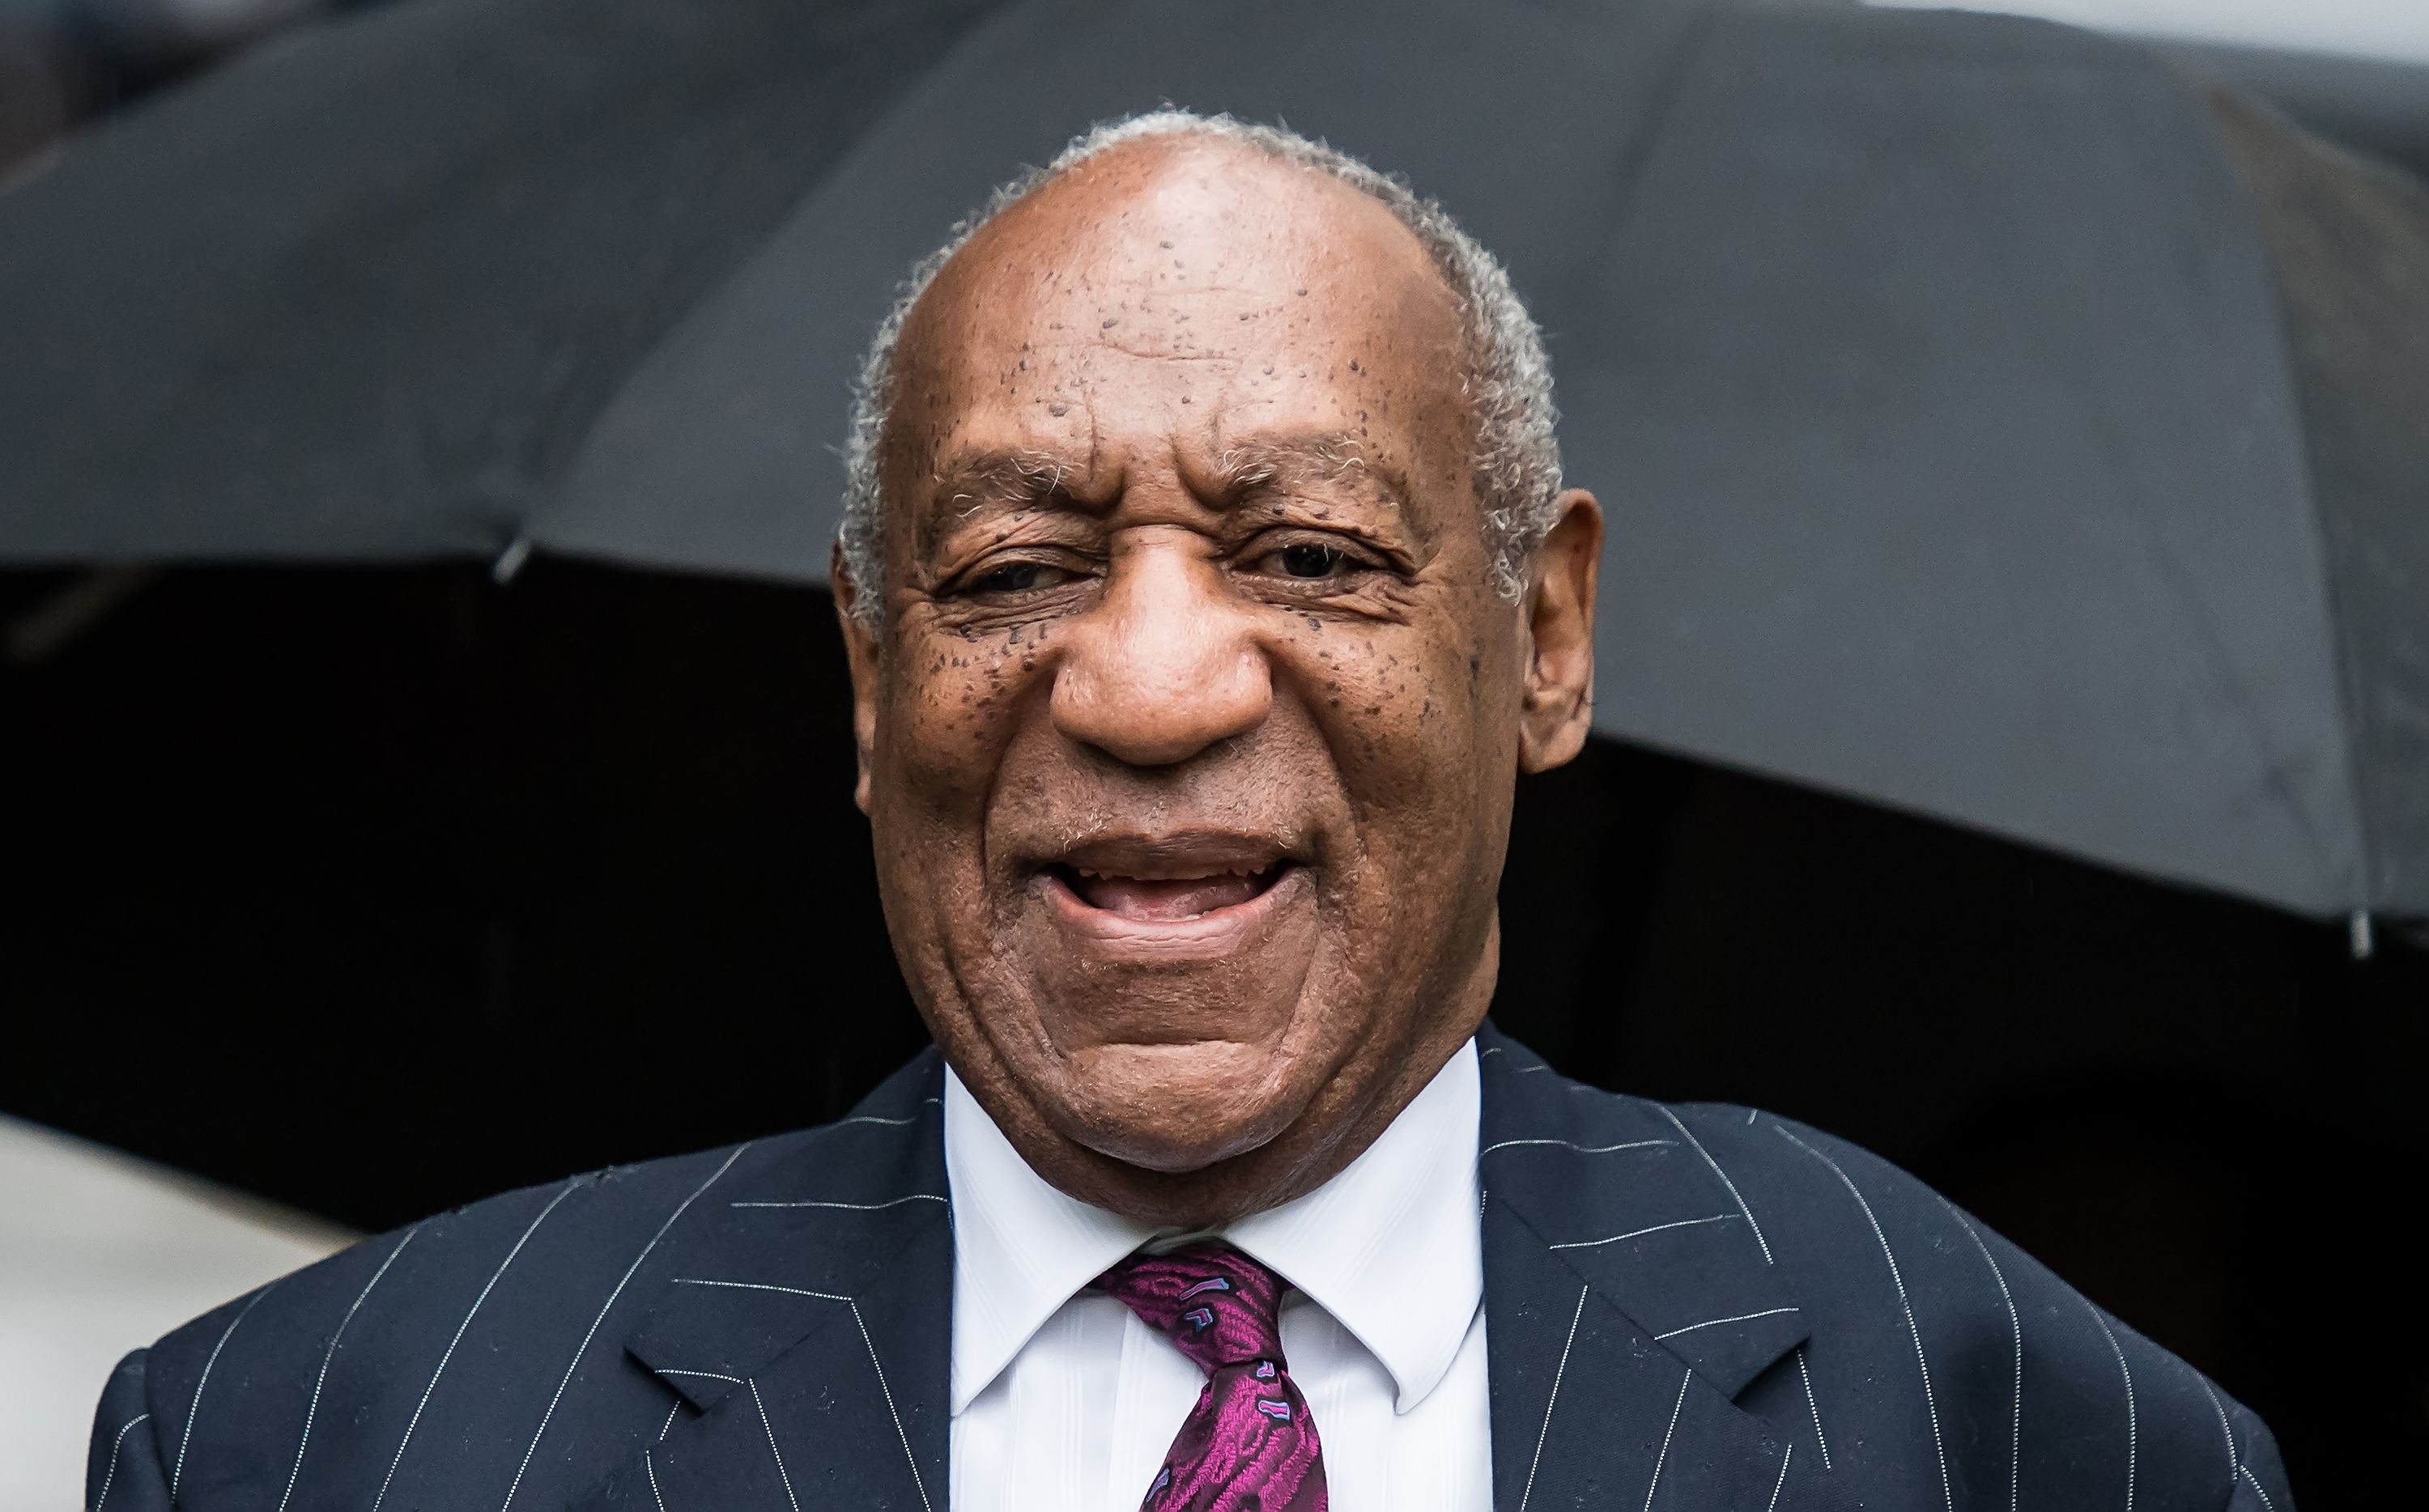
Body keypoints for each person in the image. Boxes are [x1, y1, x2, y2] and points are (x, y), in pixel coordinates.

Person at [86, 111, 2291, 1512]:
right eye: (1019, 566)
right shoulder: (329, 1448)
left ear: (1541, 638)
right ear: (871, 673)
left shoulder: (2016, 1433)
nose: (1149, 687)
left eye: (1310, 554)